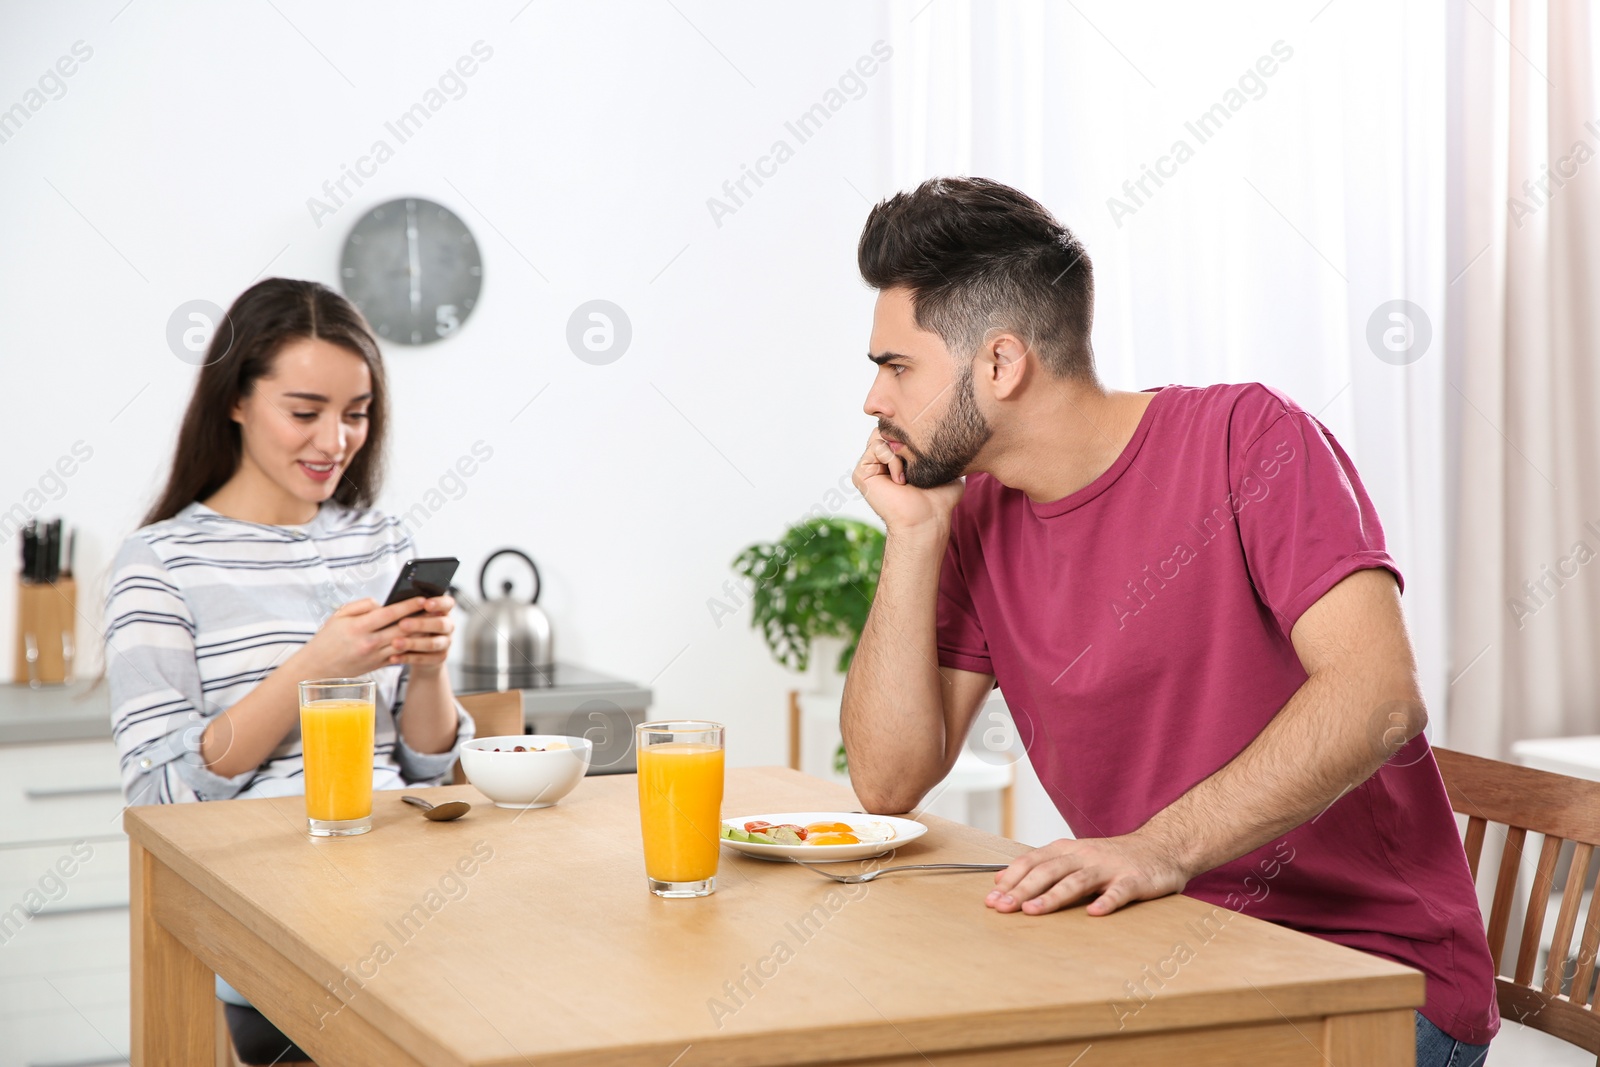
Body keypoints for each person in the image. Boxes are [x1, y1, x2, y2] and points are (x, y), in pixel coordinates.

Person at [840, 177, 1497, 1066]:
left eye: (896, 366)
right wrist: (915, 539)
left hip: (1368, 979)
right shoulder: (977, 516)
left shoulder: (1248, 439)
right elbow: (887, 781)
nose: (874, 401)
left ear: (1000, 364)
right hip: (1159, 954)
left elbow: (1380, 697)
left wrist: (1160, 848)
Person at [105, 278, 473, 1065]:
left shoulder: (379, 539)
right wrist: (314, 669)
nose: (335, 440)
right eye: (305, 412)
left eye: (357, 413)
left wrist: (431, 668)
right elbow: (160, 795)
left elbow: (427, 765)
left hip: (399, 870)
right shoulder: (160, 563)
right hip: (264, 899)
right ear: (236, 400)